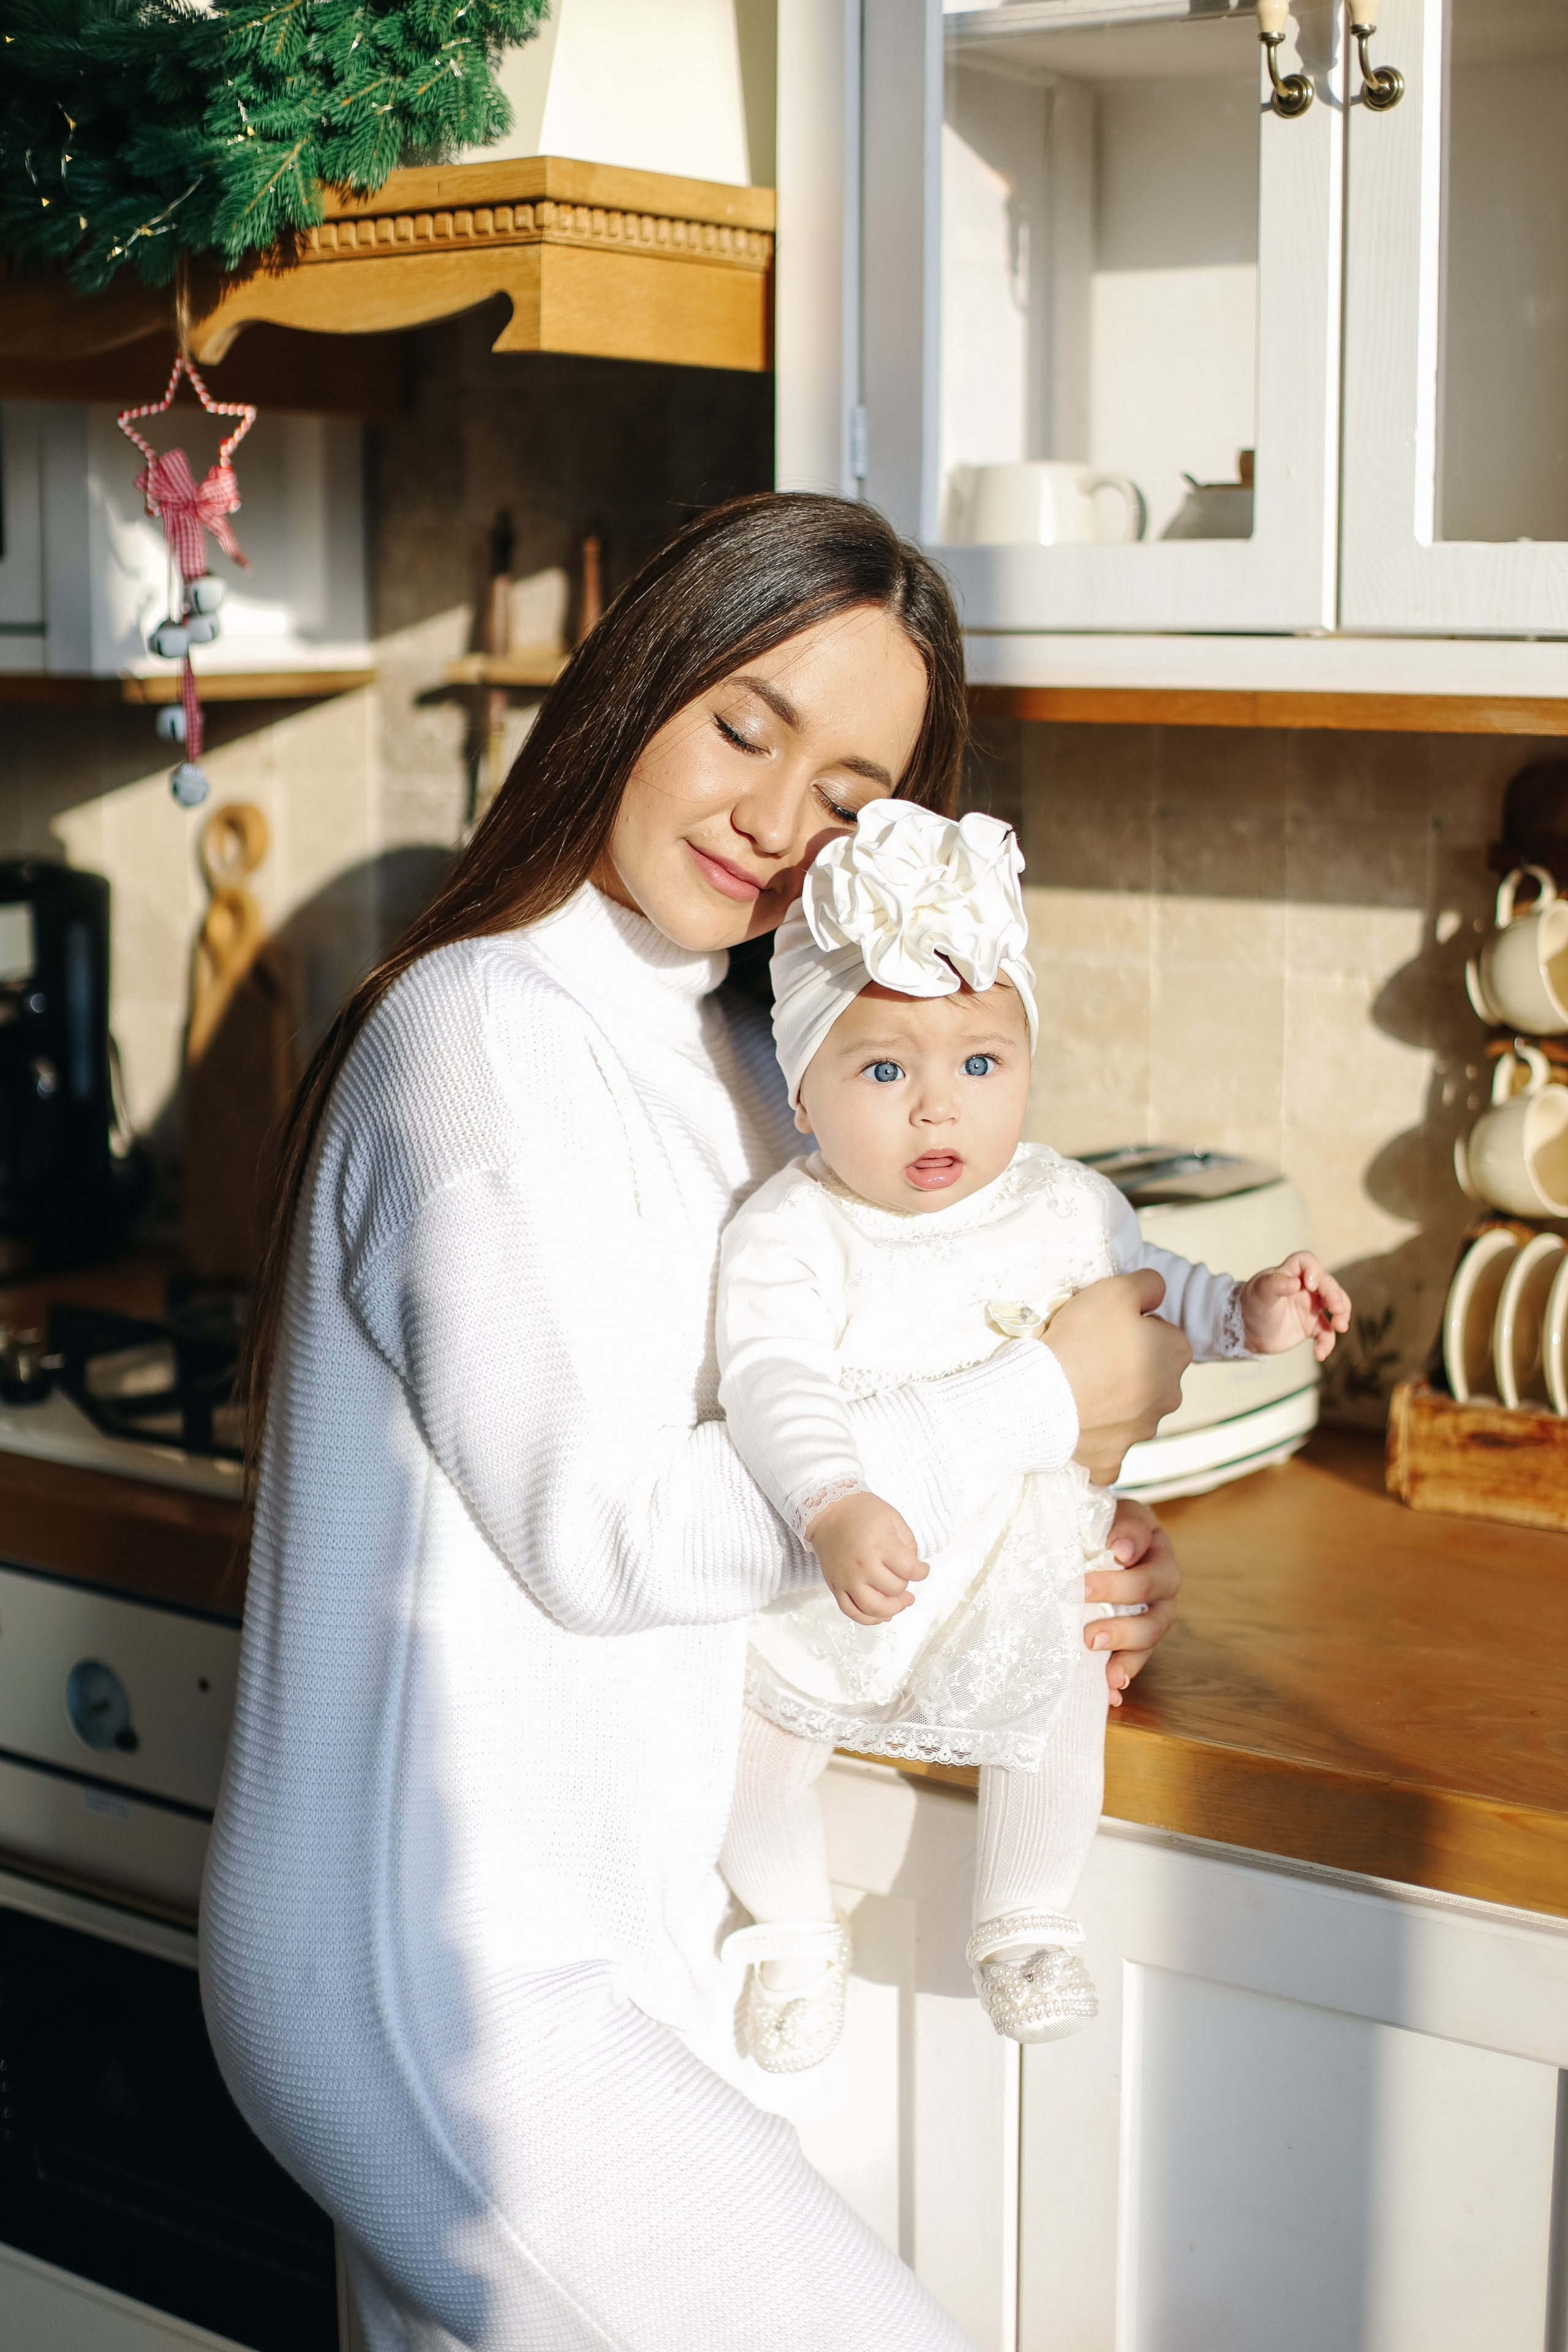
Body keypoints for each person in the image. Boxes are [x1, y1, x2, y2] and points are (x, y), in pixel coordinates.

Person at [199, 492, 1190, 2352]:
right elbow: (614, 1538)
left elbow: (838, 1429)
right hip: (433, 1974)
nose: (773, 816)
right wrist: (1043, 1395)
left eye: (847, 790)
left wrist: (1058, 1538)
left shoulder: (754, 1062)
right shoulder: (478, 1033)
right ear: (636, 686)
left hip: (611, 1935)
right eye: (744, 726)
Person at [714, 799, 1351, 2070]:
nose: (936, 1111)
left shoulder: (1064, 1203)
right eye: (883, 1071)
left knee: (1063, 1695)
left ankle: (1025, 1917)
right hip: (849, 1563)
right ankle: (787, 1929)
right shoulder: (791, 1230)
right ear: (802, 1090)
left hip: (1009, 1554)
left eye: (981, 1064)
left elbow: (1160, 1293)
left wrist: (1254, 1312)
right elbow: (768, 1380)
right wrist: (833, 1499)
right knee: (750, 1746)